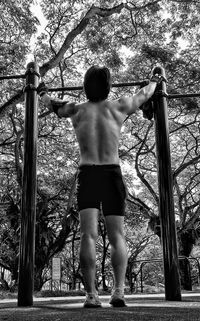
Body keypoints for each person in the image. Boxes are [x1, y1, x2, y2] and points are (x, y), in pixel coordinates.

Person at [37, 66, 163, 308]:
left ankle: (92, 295)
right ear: (108, 86)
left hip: (88, 174)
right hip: (111, 173)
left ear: (85, 86)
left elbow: (49, 102)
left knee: (88, 235)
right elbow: (144, 95)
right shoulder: (118, 106)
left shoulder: (75, 109)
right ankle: (118, 293)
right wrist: (156, 80)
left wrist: (41, 91)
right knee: (117, 236)